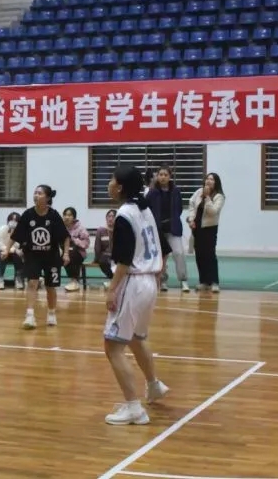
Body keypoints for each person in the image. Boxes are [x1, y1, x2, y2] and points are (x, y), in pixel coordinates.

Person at [102, 165, 169, 425]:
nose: (108, 184)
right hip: (149, 281)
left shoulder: (124, 215)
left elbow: (123, 260)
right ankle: (153, 385)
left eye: (111, 179)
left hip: (132, 281)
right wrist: (157, 273)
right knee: (136, 338)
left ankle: (134, 408)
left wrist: (112, 290)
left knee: (112, 346)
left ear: (119, 187)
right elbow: (164, 248)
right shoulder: (145, 209)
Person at [12, 185, 70, 329]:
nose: (36, 195)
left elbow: (65, 237)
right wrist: (6, 250)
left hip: (51, 256)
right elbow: (15, 235)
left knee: (51, 287)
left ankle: (51, 313)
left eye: (39, 193)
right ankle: (30, 316)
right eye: (35, 193)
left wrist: (66, 253)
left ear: (47, 198)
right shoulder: (28, 215)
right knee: (32, 283)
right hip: (33, 255)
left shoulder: (54, 215)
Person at [147, 166, 189, 293]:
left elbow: (179, 208)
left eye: (165, 175)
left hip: (173, 227)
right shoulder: (152, 192)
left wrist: (173, 219)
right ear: (157, 176)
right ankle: (163, 280)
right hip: (158, 229)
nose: (163, 177)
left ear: (170, 176)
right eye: (160, 174)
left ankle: (183, 280)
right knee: (161, 256)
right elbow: (147, 208)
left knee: (178, 253)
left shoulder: (176, 191)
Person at [187, 173, 226, 292]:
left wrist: (207, 197)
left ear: (216, 182)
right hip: (197, 227)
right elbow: (192, 205)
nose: (208, 181)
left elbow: (213, 211)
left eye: (212, 179)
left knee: (210, 255)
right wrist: (191, 219)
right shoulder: (199, 192)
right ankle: (204, 281)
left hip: (210, 229)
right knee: (200, 255)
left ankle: (214, 282)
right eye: (207, 179)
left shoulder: (219, 196)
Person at [0, 212, 23, 291]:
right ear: (8, 221)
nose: (13, 222)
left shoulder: (21, 232)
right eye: (11, 220)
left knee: (17, 256)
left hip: (14, 254)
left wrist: (13, 233)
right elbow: (0, 245)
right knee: (3, 255)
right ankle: (0, 279)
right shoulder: (1, 229)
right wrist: (10, 250)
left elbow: (17, 245)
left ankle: (18, 278)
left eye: (16, 220)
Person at [62, 207, 90, 293]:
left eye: (69, 215)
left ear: (74, 217)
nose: (67, 217)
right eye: (65, 215)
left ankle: (74, 280)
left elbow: (86, 243)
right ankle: (42, 278)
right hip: (64, 252)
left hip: (78, 253)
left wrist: (74, 240)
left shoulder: (80, 228)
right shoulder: (60, 227)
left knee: (71, 254)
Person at [94, 209, 117, 289]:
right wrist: (96, 259)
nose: (110, 218)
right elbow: (97, 247)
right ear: (106, 218)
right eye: (109, 216)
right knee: (103, 260)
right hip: (105, 257)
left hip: (117, 256)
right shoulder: (101, 230)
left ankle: (115, 281)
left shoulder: (120, 230)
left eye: (113, 217)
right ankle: (113, 280)